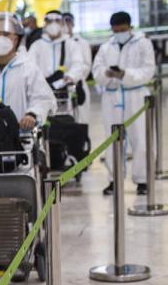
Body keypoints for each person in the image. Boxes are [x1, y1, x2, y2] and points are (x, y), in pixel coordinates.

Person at [93, 11, 156, 195]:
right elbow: (97, 70)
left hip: (135, 95)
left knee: (140, 138)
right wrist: (107, 74)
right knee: (112, 139)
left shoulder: (143, 43)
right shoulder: (106, 47)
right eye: (116, 30)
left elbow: (148, 70)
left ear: (130, 27)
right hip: (112, 97)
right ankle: (114, 179)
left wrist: (125, 74)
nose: (119, 32)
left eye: (122, 29)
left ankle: (142, 180)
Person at [0, 12, 57, 131]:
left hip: (22, 141)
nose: (0, 38)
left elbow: (43, 98)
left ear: (15, 38)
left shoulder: (28, 69)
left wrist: (32, 114)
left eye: (6, 34)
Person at [28, 10, 88, 116]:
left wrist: (71, 76)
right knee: (39, 128)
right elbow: (30, 67)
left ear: (62, 24)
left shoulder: (71, 44)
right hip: (41, 95)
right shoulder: (36, 45)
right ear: (44, 24)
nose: (53, 24)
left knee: (65, 127)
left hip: (66, 95)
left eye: (57, 21)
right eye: (49, 21)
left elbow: (78, 64)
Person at [62, 12, 94, 105]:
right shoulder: (58, 44)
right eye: (64, 23)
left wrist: (72, 75)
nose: (67, 25)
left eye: (69, 22)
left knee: (81, 116)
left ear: (73, 24)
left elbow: (87, 65)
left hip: (79, 83)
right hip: (61, 87)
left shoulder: (82, 42)